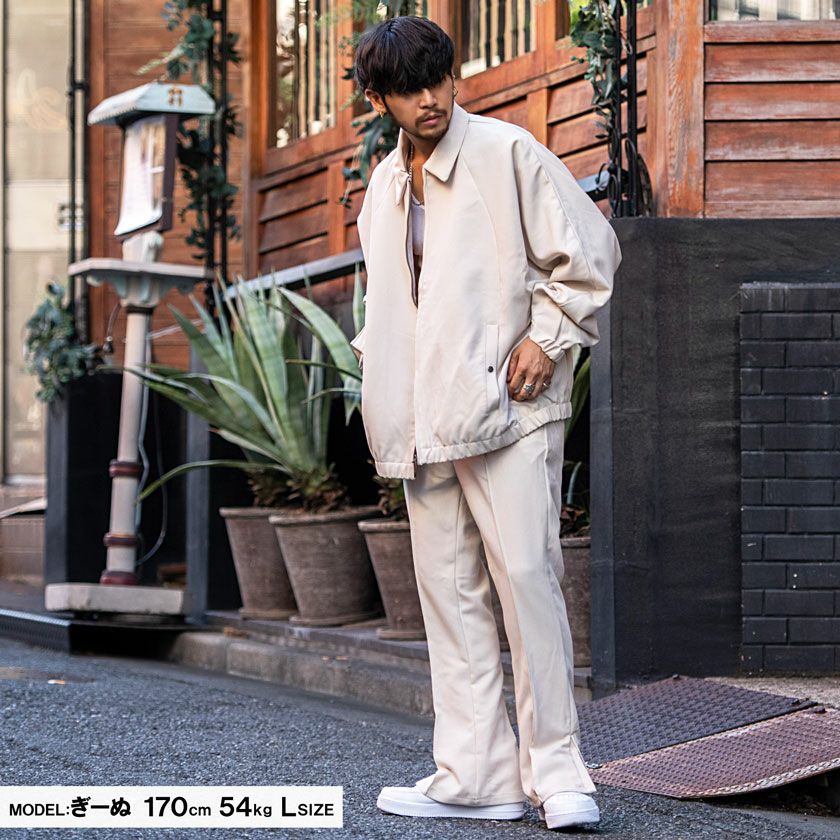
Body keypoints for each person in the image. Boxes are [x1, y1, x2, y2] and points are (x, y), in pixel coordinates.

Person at [349, 15, 622, 832]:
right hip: (422, 419)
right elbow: (390, 301)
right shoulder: (383, 186)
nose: (430, 100)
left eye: (438, 80)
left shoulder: (508, 153)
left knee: (528, 581)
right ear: (379, 100)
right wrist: (381, 383)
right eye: (409, 89)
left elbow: (589, 251)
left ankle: (558, 773)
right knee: (451, 598)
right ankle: (475, 775)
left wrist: (549, 337)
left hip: (507, 407)